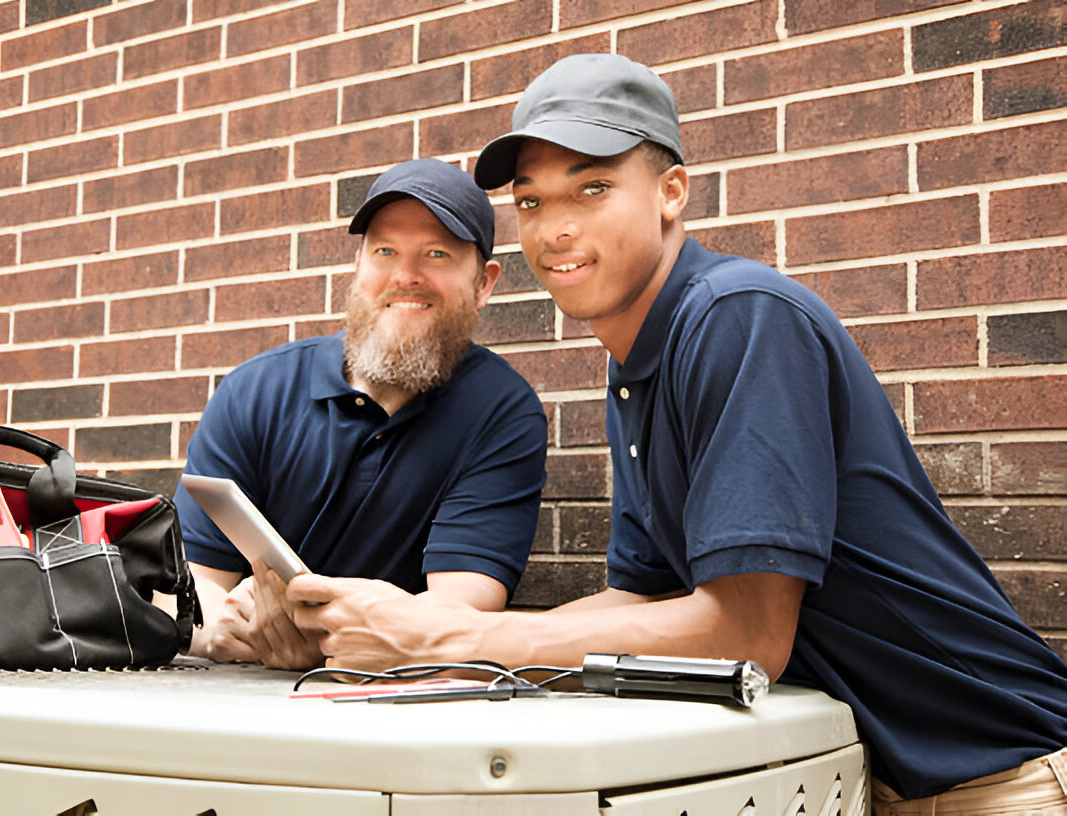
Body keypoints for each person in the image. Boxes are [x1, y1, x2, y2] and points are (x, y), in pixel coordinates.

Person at [290, 54, 1067, 810]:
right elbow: (644, 594)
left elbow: (748, 632)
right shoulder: (636, 364)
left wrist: (454, 643)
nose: (554, 229)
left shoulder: (739, 317)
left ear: (671, 192)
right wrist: (436, 646)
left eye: (592, 188)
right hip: (878, 778)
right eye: (530, 203)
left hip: (1010, 774)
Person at [175, 157, 547, 671]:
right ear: (358, 267)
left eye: (436, 254)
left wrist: (326, 641)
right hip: (233, 694)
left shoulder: (503, 413)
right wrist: (223, 629)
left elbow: (459, 614)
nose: (406, 276)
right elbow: (188, 588)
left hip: (394, 704)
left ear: (483, 284)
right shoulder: (254, 392)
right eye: (384, 251)